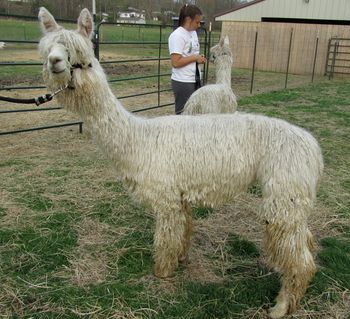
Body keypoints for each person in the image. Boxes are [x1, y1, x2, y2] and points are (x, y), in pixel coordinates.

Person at [168, 4, 207, 114]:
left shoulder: (193, 33)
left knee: (194, 114)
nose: (199, 25)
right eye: (197, 22)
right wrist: (195, 57)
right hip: (183, 81)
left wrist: (199, 58)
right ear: (188, 19)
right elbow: (175, 62)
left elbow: (191, 54)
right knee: (183, 116)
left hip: (194, 79)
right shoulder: (177, 36)